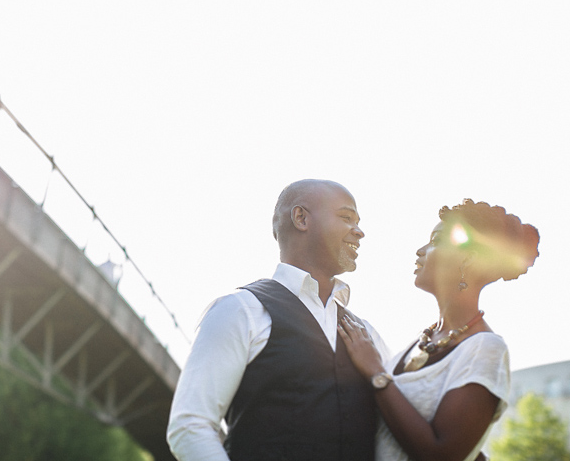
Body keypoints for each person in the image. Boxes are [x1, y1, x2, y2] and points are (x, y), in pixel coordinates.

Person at [167, 179, 389, 461]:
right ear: (301, 218)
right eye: (347, 218)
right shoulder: (240, 311)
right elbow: (190, 426)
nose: (360, 232)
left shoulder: (367, 334)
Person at [337, 199, 539, 461]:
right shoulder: (415, 345)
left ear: (467, 257)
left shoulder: (485, 349)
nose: (421, 250)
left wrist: (376, 374)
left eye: (436, 240)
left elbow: (442, 455)